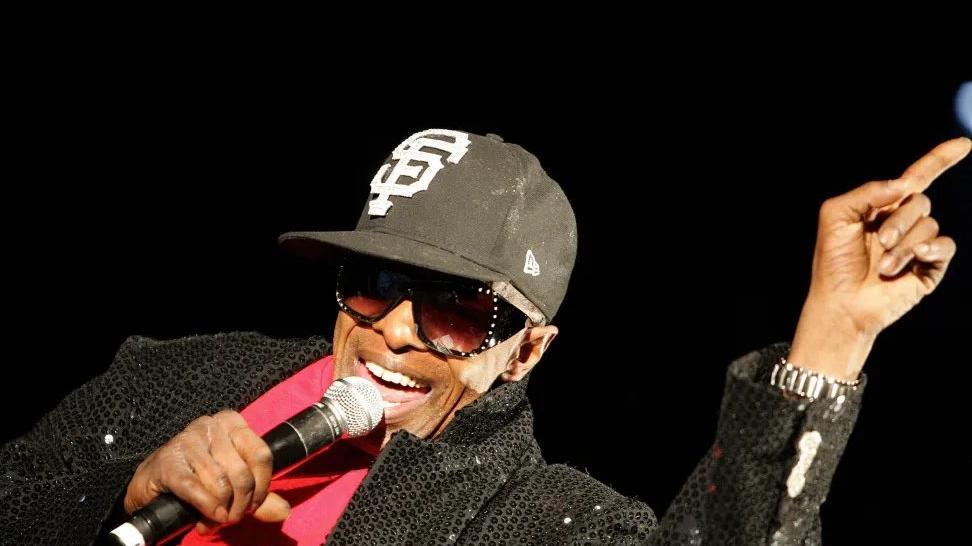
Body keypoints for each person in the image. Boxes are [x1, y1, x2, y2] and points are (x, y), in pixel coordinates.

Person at [1, 129, 968, 545]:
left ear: (527, 351)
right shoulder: (181, 377)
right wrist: (120, 493)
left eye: (457, 310)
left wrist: (829, 340)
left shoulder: (538, 519)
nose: (394, 333)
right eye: (375, 285)